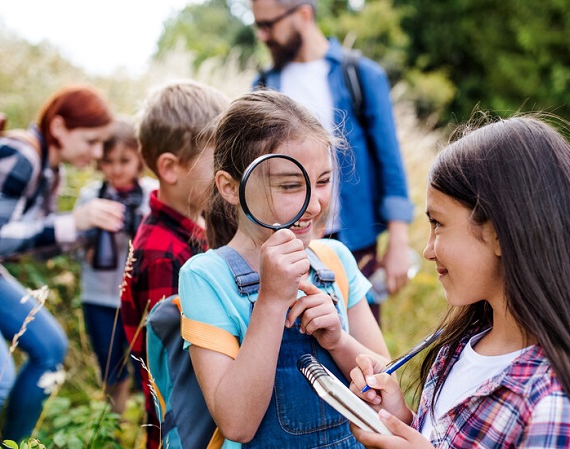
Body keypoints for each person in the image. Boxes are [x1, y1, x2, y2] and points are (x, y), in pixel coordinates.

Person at [348, 114, 570, 448]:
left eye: (438, 223)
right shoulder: (459, 345)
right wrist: (400, 419)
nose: (428, 250)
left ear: (498, 234)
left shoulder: (554, 406)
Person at [178, 90, 390, 448]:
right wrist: (272, 301)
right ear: (230, 188)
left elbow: (386, 386)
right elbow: (237, 424)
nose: (313, 203)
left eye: (323, 181)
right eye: (291, 186)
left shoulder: (335, 260)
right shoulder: (205, 277)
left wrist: (339, 340)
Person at [0, 85, 123, 444]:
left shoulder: (51, 173)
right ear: (58, 128)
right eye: (91, 141)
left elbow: (25, 244)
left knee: (51, 347)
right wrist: (74, 222)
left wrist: (84, 238)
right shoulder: (19, 155)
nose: (97, 152)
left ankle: (10, 442)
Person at [250, 0, 414, 323]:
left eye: (268, 25)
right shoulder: (263, 87)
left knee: (359, 342)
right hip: (291, 240)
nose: (262, 36)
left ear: (303, 15)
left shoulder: (361, 75)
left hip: (357, 243)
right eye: (258, 26)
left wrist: (398, 240)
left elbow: (389, 161)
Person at [120, 79, 229, 449]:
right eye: (219, 160)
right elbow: (176, 367)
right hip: (187, 431)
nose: (228, 174)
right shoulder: (162, 254)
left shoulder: (190, 231)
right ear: (170, 168)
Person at [73, 118, 157, 415]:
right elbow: (73, 246)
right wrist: (91, 246)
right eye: (108, 162)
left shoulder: (151, 195)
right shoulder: (91, 197)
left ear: (139, 159)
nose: (117, 169)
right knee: (111, 369)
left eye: (125, 160)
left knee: (146, 372)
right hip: (99, 296)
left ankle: (149, 428)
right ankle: (113, 428)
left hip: (140, 298)